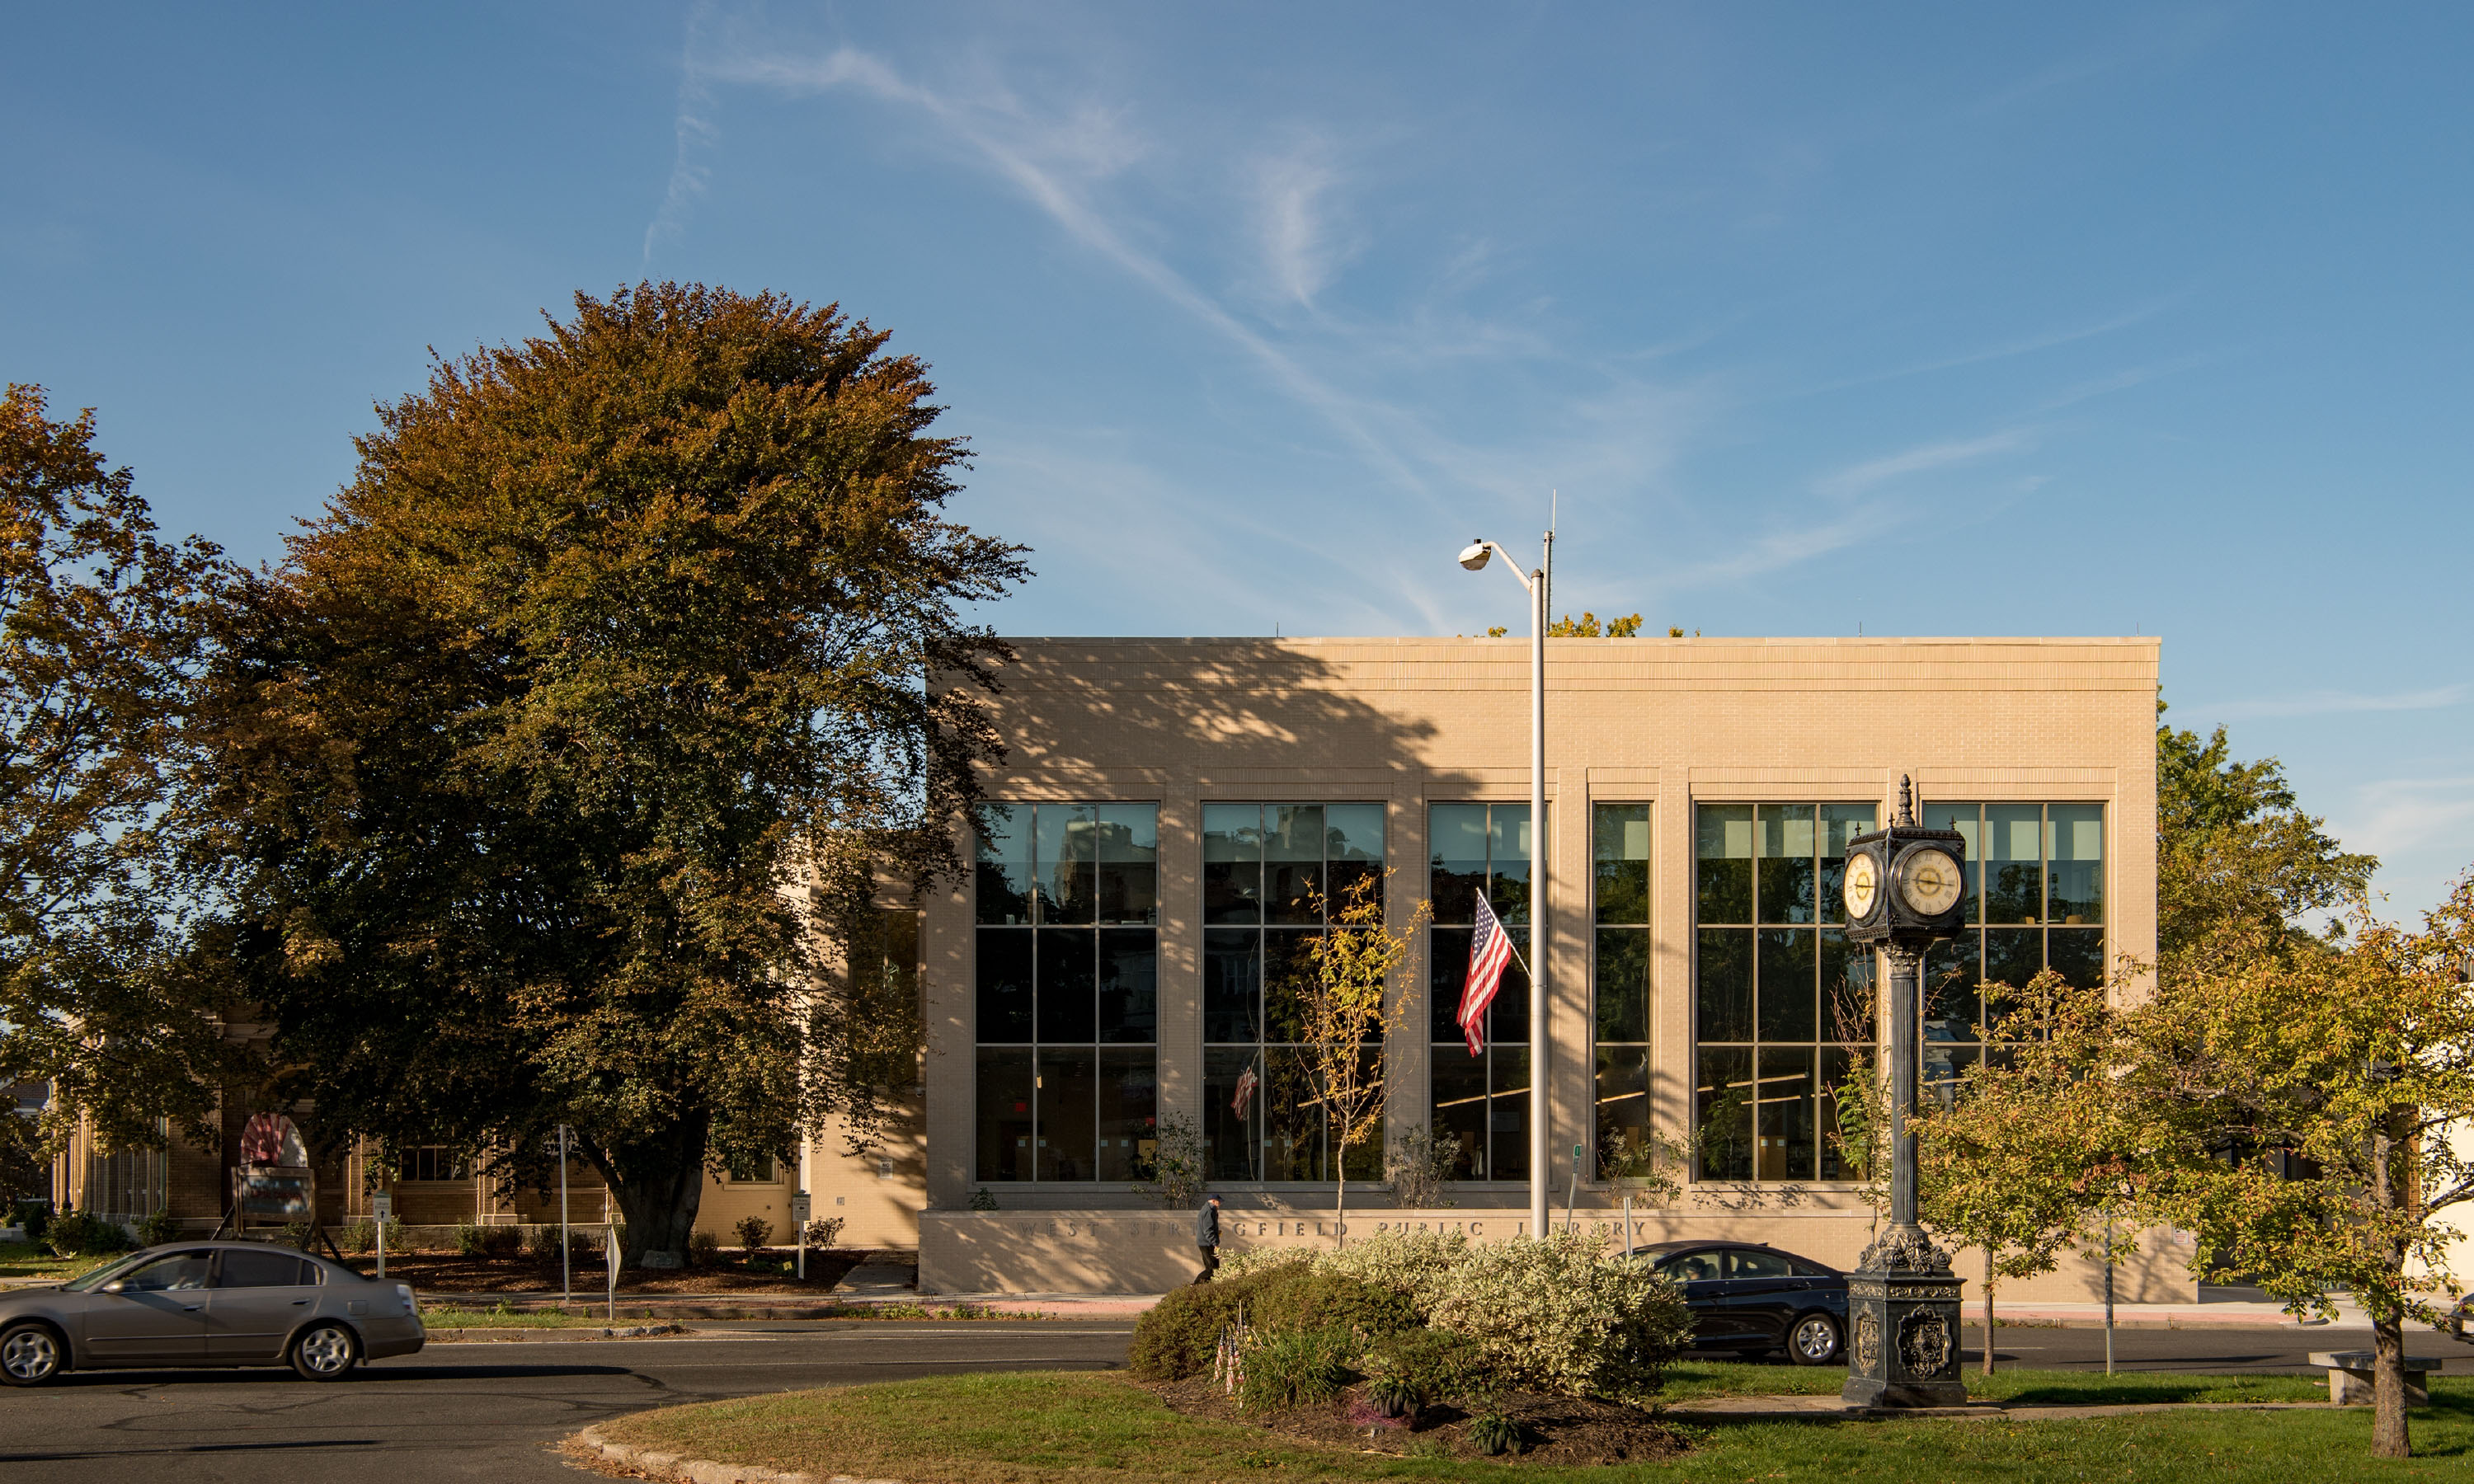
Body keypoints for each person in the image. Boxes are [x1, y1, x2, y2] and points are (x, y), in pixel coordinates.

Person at [1193, 1191, 1221, 1283]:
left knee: (1212, 1268)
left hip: (1205, 1242)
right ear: (1213, 1201)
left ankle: (1205, 1288)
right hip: (1207, 1243)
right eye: (1218, 1202)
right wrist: (1215, 1243)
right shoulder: (1209, 1211)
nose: (1220, 1204)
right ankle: (1195, 1285)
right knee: (1212, 1268)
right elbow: (1208, 1230)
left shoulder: (1208, 1210)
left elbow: (1208, 1228)